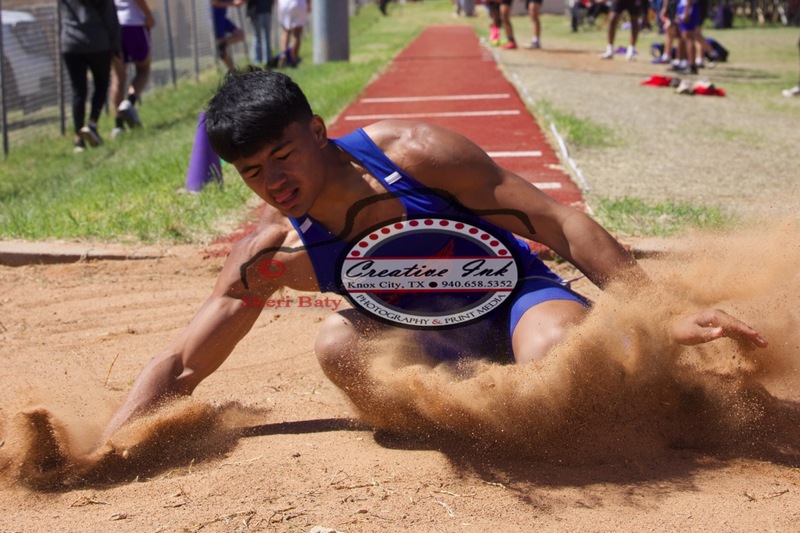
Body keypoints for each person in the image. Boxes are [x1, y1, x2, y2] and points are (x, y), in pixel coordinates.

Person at [97, 69, 768, 445]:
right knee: (336, 342)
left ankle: (659, 382)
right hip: (427, 342)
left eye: (282, 157)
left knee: (559, 358)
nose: (273, 183)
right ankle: (465, 420)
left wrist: (661, 310)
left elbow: (557, 222)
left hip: (516, 302)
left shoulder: (411, 155)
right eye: (251, 173)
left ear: (318, 131)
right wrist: (108, 443)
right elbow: (185, 363)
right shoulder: (272, 251)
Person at [59, 0, 121, 152]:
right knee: (101, 84)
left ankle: (79, 138)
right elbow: (110, 16)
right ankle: (92, 124)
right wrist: (116, 44)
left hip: (71, 44)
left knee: (78, 91)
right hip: (97, 43)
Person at [110, 0, 155, 139]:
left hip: (114, 27)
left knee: (118, 78)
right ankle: (129, 102)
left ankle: (118, 126)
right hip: (134, 24)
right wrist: (148, 15)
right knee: (143, 69)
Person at [211, 0, 245, 71]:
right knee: (223, 51)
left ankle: (222, 44)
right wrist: (233, 4)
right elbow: (214, 2)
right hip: (216, 18)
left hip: (223, 18)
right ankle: (233, 72)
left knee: (241, 35)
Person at [276, 0, 310, 67]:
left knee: (286, 31)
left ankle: (283, 55)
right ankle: (294, 59)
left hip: (284, 4)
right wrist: (309, 4)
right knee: (297, 34)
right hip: (299, 3)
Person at [246, 0, 274, 66]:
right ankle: (257, 61)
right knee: (257, 37)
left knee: (267, 37)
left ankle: (268, 59)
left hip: (267, 11)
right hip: (255, 12)